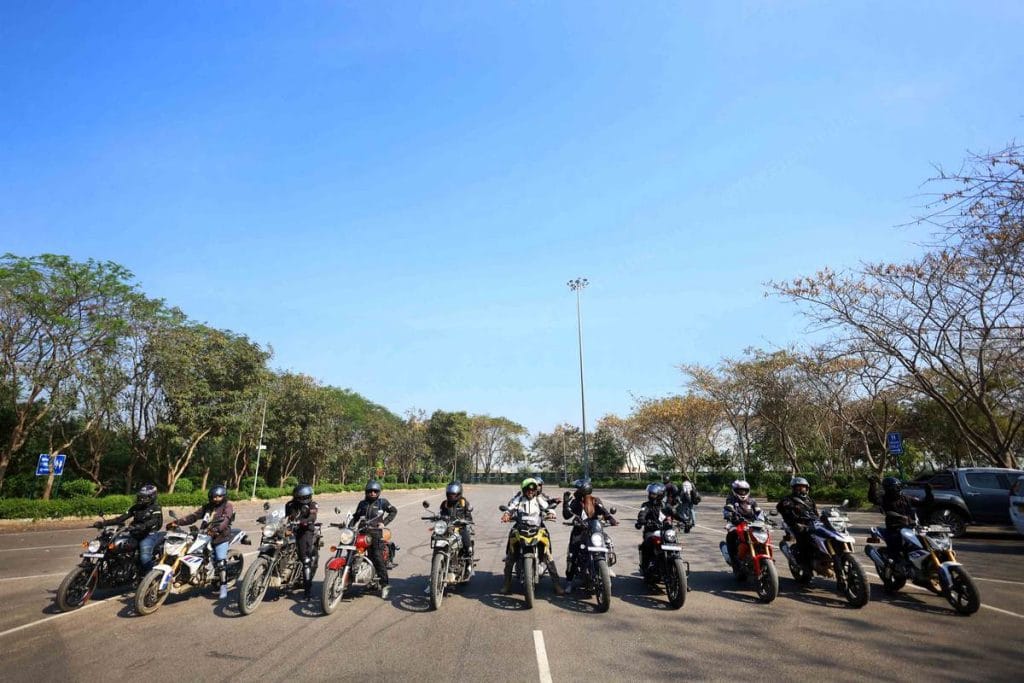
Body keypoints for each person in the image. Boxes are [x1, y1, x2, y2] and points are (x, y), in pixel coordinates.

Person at [168, 484, 234, 599]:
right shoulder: (207, 507)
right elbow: (193, 517)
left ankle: (223, 586)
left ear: (223, 496)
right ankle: (184, 577)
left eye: (218, 497)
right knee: (188, 552)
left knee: (221, 561)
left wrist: (217, 529)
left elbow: (226, 520)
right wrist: (177, 522)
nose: (216, 499)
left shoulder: (227, 506)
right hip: (204, 535)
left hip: (220, 537)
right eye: (214, 497)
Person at [501, 478, 564, 596]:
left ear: (535, 490)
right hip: (520, 529)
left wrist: (551, 513)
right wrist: (506, 514)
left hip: (537, 529)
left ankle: (557, 585)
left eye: (533, 489)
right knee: (510, 557)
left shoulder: (539, 499)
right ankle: (506, 584)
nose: (530, 491)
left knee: (548, 556)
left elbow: (547, 507)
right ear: (524, 490)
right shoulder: (519, 499)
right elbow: (510, 508)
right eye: (528, 489)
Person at [94, 483, 163, 575]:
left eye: (144, 497)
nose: (141, 499)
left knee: (144, 558)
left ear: (152, 497)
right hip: (134, 532)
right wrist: (103, 523)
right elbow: (120, 519)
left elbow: (154, 520)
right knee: (115, 545)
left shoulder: (155, 508)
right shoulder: (135, 508)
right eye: (140, 497)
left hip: (148, 534)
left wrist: (143, 526)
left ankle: (151, 578)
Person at [561, 478, 618, 588]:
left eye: (577, 490)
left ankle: (606, 566)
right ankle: (569, 581)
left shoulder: (595, 500)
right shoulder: (575, 502)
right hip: (579, 531)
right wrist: (566, 503)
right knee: (573, 554)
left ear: (583, 491)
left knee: (607, 541)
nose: (575, 492)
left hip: (594, 530)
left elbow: (604, 512)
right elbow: (567, 515)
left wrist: (611, 519)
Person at [868, 475, 934, 563]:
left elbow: (924, 503)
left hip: (911, 528)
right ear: (889, 489)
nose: (898, 489)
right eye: (896, 487)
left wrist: (928, 492)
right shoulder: (884, 499)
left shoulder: (906, 498)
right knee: (895, 549)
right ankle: (895, 564)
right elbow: (873, 498)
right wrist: (873, 485)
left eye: (899, 487)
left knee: (925, 544)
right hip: (894, 529)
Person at [351, 480, 398, 599]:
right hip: (361, 532)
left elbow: (393, 511)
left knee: (377, 557)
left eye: (375, 491)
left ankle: (385, 585)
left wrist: (384, 523)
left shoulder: (382, 502)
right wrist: (350, 525)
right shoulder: (362, 503)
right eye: (370, 491)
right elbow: (356, 516)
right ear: (366, 492)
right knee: (351, 552)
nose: (372, 493)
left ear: (378, 492)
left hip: (375, 533)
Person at [635, 482, 678, 583]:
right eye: (650, 493)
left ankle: (680, 577)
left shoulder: (666, 506)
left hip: (665, 531)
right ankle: (647, 566)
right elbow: (642, 514)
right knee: (648, 544)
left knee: (674, 542)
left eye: (653, 494)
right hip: (651, 531)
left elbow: (675, 514)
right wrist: (642, 521)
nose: (650, 496)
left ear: (660, 495)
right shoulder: (646, 505)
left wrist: (685, 521)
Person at [775, 477, 819, 571]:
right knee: (805, 541)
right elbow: (781, 508)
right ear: (793, 489)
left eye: (803, 487)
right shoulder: (788, 499)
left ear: (807, 488)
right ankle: (805, 566)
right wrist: (790, 510)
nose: (801, 489)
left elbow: (816, 513)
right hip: (796, 525)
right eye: (798, 488)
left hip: (811, 524)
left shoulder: (809, 500)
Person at [285, 483, 319, 599]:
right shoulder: (290, 504)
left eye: (303, 497)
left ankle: (307, 591)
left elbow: (313, 517)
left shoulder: (313, 505)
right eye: (298, 497)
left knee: (305, 560)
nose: (301, 499)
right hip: (291, 529)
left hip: (305, 531)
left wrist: (305, 521)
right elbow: (284, 516)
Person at [722, 479, 762, 566]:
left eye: (744, 490)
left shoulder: (752, 501)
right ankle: (733, 559)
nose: (742, 492)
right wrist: (728, 514)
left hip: (752, 524)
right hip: (737, 523)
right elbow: (727, 508)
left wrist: (764, 517)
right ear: (735, 490)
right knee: (731, 535)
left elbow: (758, 511)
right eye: (740, 490)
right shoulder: (731, 499)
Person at [438, 481, 474, 559]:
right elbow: (440, 514)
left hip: (459, 526)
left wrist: (465, 520)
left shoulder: (463, 502)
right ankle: (437, 555)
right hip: (448, 526)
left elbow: (468, 515)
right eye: (450, 493)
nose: (451, 495)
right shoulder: (444, 503)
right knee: (437, 535)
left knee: (464, 532)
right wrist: (437, 518)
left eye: (453, 494)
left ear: (459, 493)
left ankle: (468, 554)